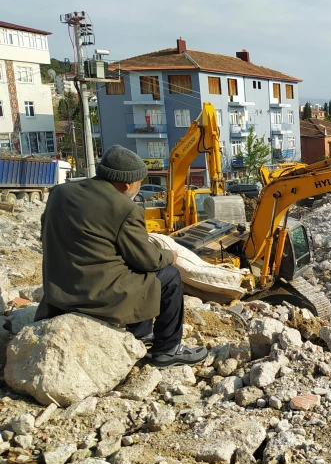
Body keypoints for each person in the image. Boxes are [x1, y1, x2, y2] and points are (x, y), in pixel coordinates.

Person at [36, 145, 207, 367]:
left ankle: (142, 333)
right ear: (127, 183)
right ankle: (168, 349)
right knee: (168, 276)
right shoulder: (125, 208)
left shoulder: (59, 193)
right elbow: (147, 260)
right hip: (93, 295)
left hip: (58, 292)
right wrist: (168, 255)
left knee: (124, 267)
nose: (139, 187)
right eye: (140, 182)